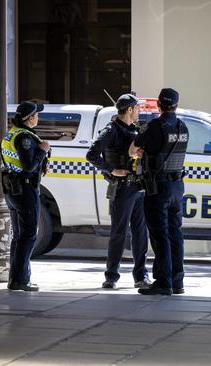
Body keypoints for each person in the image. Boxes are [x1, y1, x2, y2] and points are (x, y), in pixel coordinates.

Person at [86, 93, 150, 290]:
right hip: (122, 188)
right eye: (137, 108)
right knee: (119, 232)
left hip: (139, 187)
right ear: (129, 110)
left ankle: (141, 275)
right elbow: (92, 155)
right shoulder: (111, 131)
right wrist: (111, 170)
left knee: (141, 233)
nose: (139, 112)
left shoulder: (137, 130)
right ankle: (111, 276)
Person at [130, 88, 189, 296]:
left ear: (159, 105)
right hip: (177, 187)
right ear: (176, 104)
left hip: (158, 187)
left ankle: (163, 282)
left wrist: (143, 150)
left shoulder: (154, 126)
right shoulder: (183, 127)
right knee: (175, 234)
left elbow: (132, 150)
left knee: (160, 234)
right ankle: (177, 281)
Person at [1, 101, 51, 291]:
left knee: (19, 236)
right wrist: (42, 151)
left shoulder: (11, 133)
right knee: (28, 235)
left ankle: (16, 278)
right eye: (36, 114)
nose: (38, 116)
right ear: (30, 118)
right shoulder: (25, 138)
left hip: (13, 189)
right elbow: (29, 165)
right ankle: (20, 280)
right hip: (25, 190)